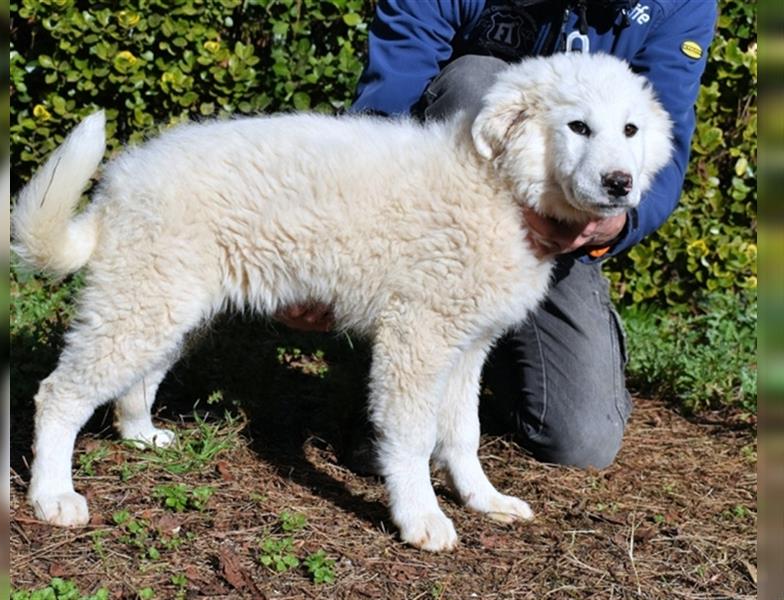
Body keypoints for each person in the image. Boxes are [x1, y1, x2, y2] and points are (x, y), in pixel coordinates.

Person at [276, 0, 716, 470]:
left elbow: (664, 131)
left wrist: (614, 224)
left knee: (582, 440)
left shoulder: (682, 5)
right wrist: (334, 246)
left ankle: (474, 358)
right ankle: (403, 378)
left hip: (557, 221)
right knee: (475, 80)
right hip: (439, 201)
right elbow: (386, 105)